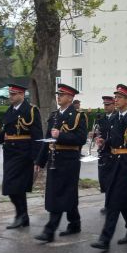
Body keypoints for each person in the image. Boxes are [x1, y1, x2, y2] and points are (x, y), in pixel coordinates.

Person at [91, 84, 127, 251]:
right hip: (113, 163)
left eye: (119, 97)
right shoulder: (114, 118)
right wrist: (103, 143)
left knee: (113, 201)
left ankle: (105, 239)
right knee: (124, 202)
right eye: (115, 97)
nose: (115, 100)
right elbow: (113, 141)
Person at [33, 84, 88, 243]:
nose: (59, 97)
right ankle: (74, 223)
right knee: (64, 193)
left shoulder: (77, 116)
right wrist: (40, 160)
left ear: (70, 98)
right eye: (58, 94)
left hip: (69, 160)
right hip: (54, 159)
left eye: (62, 94)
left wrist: (61, 135)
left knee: (60, 194)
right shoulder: (54, 115)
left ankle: (49, 230)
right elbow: (47, 140)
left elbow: (81, 139)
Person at [0, 83, 42, 229]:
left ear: (22, 95)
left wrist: (37, 158)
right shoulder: (9, 111)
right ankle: (22, 216)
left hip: (23, 153)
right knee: (13, 187)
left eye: (13, 94)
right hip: (10, 153)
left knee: (14, 186)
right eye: (10, 94)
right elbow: (4, 133)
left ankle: (21, 215)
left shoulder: (30, 110)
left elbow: (37, 135)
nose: (10, 97)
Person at [93, 95, 116, 215]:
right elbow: (100, 133)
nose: (105, 107)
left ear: (114, 105)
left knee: (111, 180)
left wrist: (104, 142)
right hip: (103, 152)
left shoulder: (117, 118)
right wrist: (95, 136)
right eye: (104, 105)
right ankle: (108, 203)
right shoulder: (102, 119)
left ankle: (110, 205)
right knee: (104, 179)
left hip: (112, 152)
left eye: (108, 105)